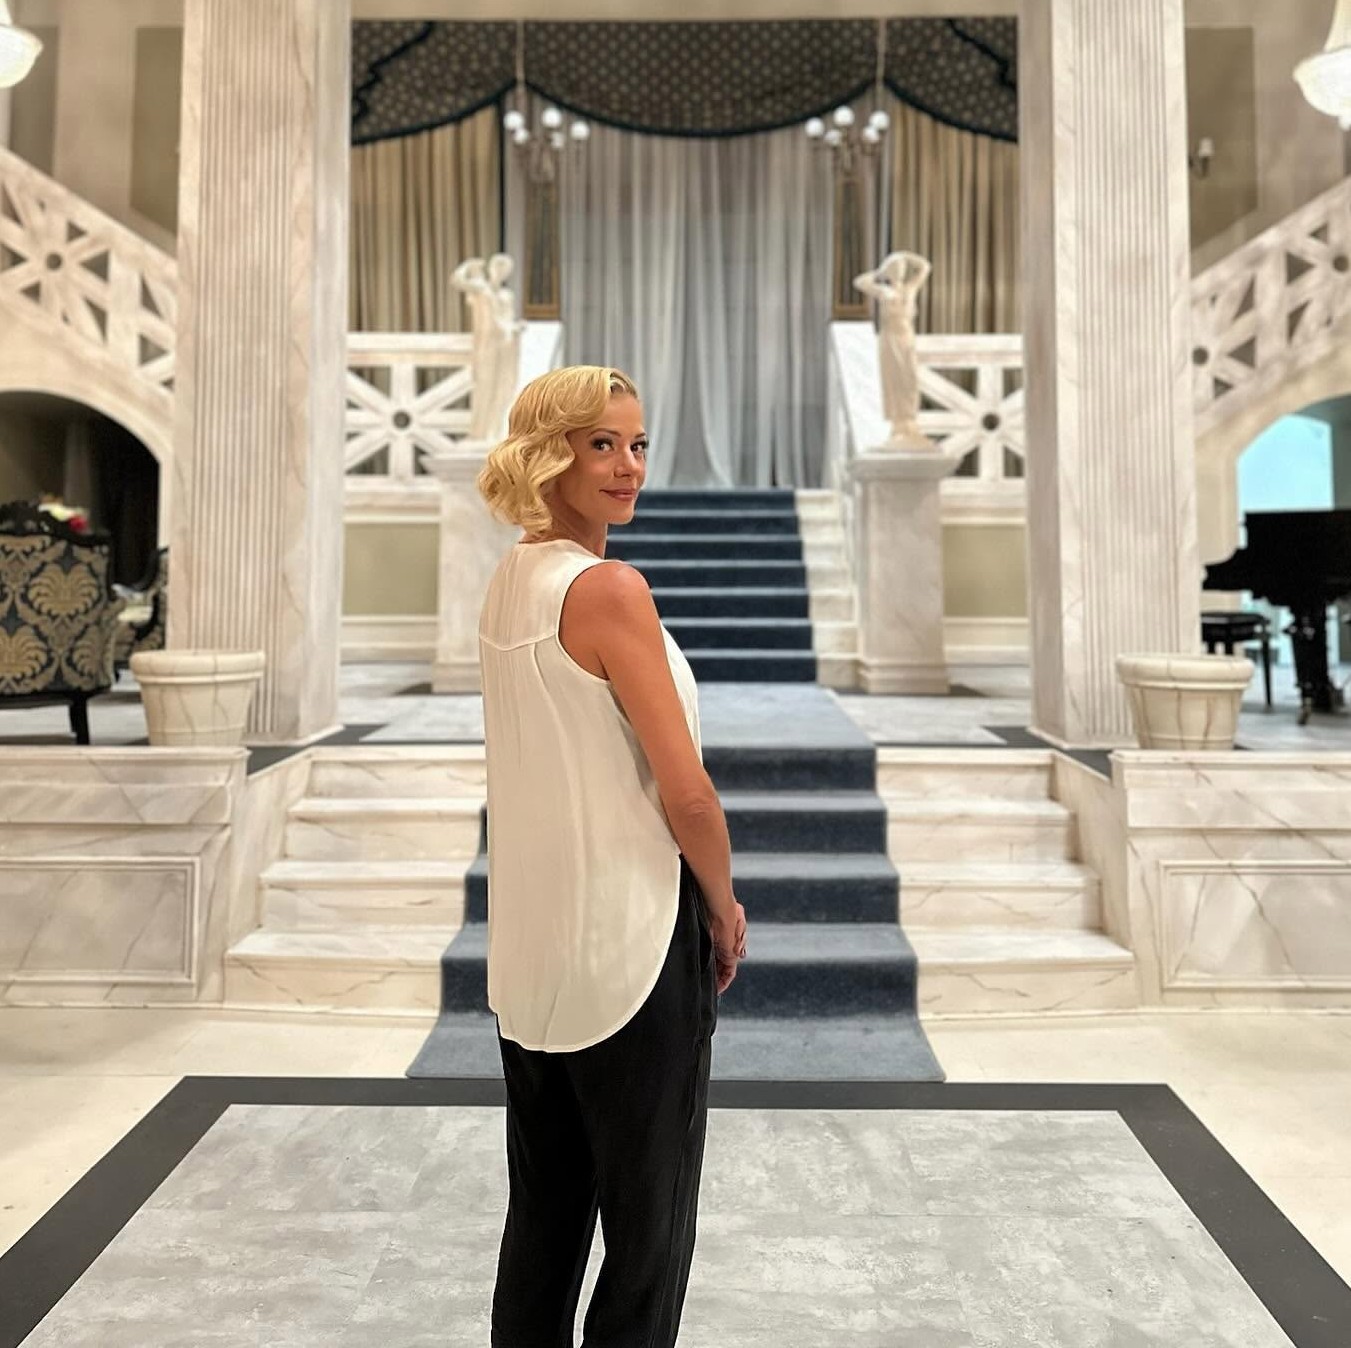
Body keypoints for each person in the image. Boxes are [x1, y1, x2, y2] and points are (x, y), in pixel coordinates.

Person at [475, 364, 748, 1347]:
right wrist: (721, 903)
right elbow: (688, 794)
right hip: (631, 945)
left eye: (637, 444)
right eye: (601, 444)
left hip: (532, 957)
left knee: (543, 1219)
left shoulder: (509, 582)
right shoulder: (608, 590)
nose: (629, 466)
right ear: (546, 454)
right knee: (647, 1237)